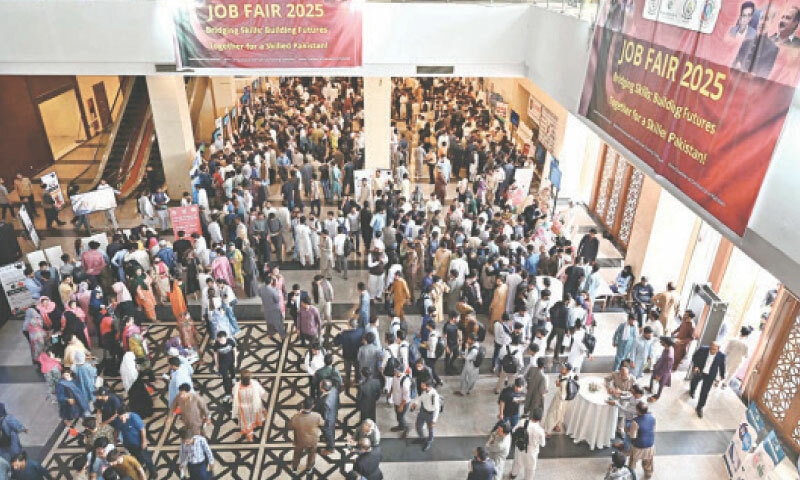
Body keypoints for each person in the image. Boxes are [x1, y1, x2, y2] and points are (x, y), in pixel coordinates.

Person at [112, 408, 156, 477]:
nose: (122, 419)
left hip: (139, 443)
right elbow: (117, 429)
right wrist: (115, 438)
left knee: (147, 458)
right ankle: (140, 467)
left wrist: (144, 442)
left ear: (127, 413)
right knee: (136, 457)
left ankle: (153, 472)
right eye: (120, 418)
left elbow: (142, 429)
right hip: (128, 444)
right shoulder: (118, 420)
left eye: (123, 417)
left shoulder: (134, 417)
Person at [689, 342, 727, 418]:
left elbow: (722, 365)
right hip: (699, 371)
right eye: (711, 348)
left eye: (714, 349)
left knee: (705, 391)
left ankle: (700, 407)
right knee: (694, 382)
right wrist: (696, 366)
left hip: (710, 375)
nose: (712, 350)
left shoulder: (721, 356)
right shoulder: (703, 349)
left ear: (718, 349)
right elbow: (694, 357)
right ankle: (692, 391)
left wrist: (722, 375)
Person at [509, 408, 547, 480]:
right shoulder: (540, 430)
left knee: (517, 462)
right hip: (531, 452)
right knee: (530, 468)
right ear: (541, 418)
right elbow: (543, 444)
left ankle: (513, 474)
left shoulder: (522, 422)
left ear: (531, 415)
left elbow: (514, 430)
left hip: (520, 447)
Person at [290, 397, 324, 474]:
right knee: (312, 454)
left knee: (297, 454)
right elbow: (322, 423)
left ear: (302, 405)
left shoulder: (296, 417)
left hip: (299, 439)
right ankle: (308, 468)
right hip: (312, 440)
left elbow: (290, 426)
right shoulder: (317, 416)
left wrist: (298, 414)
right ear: (313, 406)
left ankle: (294, 468)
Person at [231, 370, 267, 442]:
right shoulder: (255, 384)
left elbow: (233, 394)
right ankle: (258, 422)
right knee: (255, 416)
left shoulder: (237, 386)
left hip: (243, 409)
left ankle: (249, 435)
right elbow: (262, 393)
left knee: (246, 422)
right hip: (254, 406)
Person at [409, 379, 440, 452]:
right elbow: (420, 397)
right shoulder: (425, 391)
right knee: (418, 426)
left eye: (423, 385)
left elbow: (437, 409)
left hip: (430, 414)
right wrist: (415, 403)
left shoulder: (434, 396)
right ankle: (421, 438)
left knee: (430, 430)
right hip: (423, 411)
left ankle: (429, 441)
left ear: (428, 386)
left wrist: (434, 421)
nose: (421, 386)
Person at [543, 362, 575, 434]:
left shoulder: (564, 382)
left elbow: (563, 396)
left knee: (551, 414)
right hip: (566, 400)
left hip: (560, 400)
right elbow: (558, 384)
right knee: (561, 414)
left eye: (563, 368)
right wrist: (558, 383)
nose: (561, 369)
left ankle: (547, 432)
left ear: (567, 371)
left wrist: (559, 406)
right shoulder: (569, 375)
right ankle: (557, 425)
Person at [628, 402, 656, 479]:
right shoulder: (652, 417)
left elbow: (633, 436)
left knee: (632, 460)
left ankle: (631, 473)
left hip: (639, 447)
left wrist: (628, 431)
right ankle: (648, 474)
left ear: (638, 411)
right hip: (650, 445)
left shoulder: (635, 421)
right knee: (648, 462)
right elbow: (653, 430)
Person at [647, 337, 675, 402]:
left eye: (662, 341)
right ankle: (650, 389)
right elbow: (661, 358)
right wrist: (656, 364)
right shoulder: (666, 349)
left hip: (662, 372)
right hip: (658, 367)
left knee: (660, 385)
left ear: (666, 344)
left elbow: (666, 368)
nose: (660, 342)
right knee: (652, 379)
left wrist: (659, 375)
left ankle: (657, 396)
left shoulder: (669, 356)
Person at [315, 379, 339, 455]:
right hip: (333, 413)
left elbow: (325, 416)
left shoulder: (325, 402)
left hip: (328, 420)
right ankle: (326, 436)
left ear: (322, 389)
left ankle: (331, 448)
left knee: (329, 433)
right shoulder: (334, 389)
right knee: (330, 431)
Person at [259, 276, 286, 340]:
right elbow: (277, 300)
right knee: (278, 322)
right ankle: (282, 335)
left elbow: (259, 294)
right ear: (271, 281)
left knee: (269, 322)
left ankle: (270, 333)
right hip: (275, 309)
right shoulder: (273, 290)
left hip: (266, 308)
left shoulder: (261, 288)